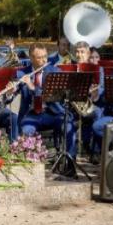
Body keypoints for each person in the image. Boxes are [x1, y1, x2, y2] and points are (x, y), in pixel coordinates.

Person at [18, 45, 76, 176]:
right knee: (26, 130)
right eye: (39, 57)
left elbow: (50, 95)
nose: (44, 60)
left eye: (45, 56)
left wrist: (33, 88)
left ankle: (70, 162)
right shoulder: (22, 73)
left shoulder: (55, 72)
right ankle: (30, 168)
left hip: (53, 113)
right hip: (32, 114)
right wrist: (10, 91)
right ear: (31, 58)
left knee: (68, 125)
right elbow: (12, 95)